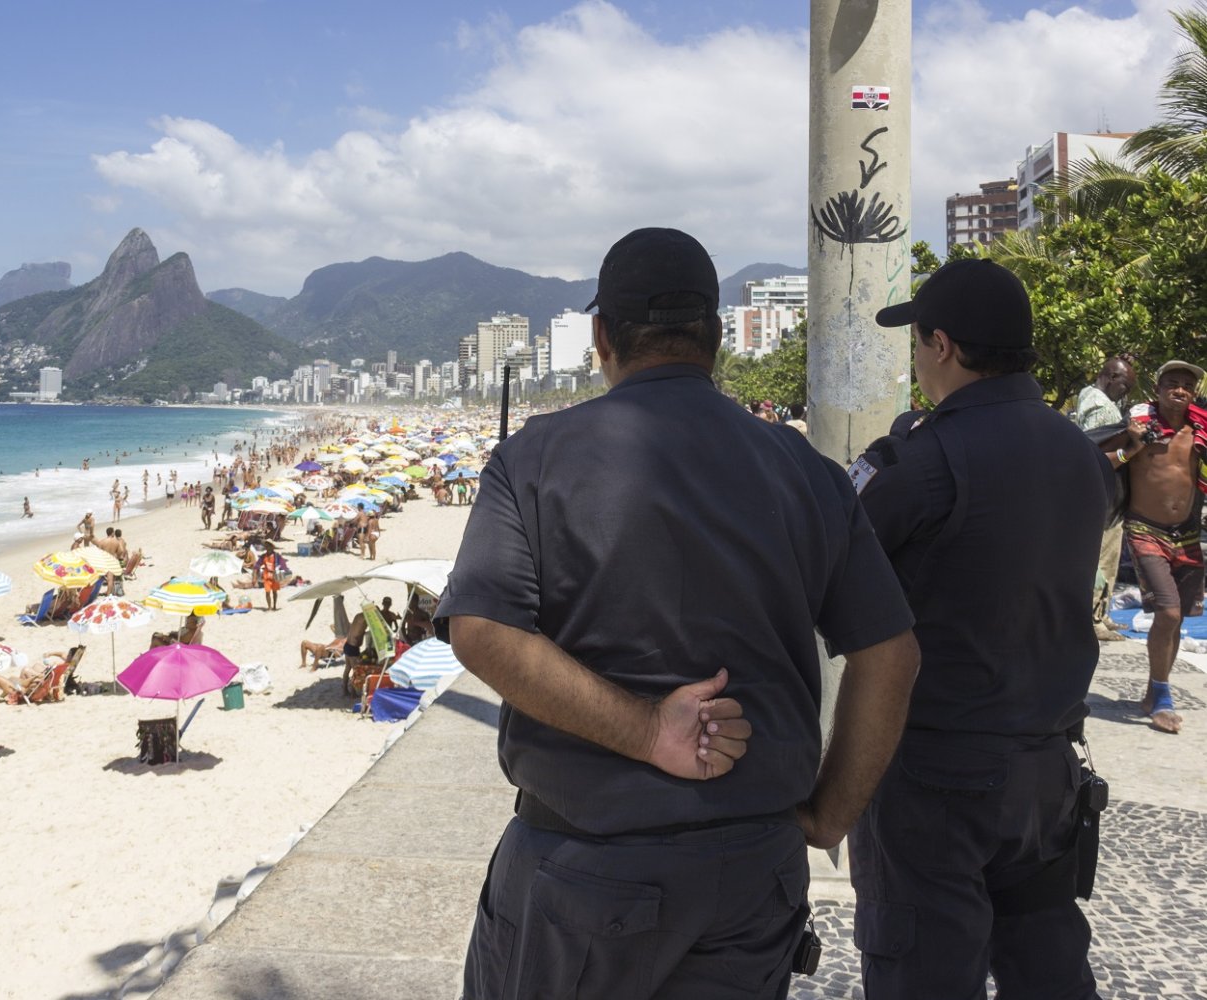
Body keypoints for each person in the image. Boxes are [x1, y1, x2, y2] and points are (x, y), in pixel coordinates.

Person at [439, 227, 920, 998]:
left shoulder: (535, 458)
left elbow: (481, 630)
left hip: (588, 870)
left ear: (602, 338)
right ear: (717, 336)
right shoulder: (806, 471)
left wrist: (648, 730)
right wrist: (831, 815)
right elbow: (891, 654)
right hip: (753, 871)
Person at [847, 258, 1114, 998]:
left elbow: (832, 551)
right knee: (1047, 965)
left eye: (917, 344)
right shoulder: (1079, 453)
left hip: (939, 772)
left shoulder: (924, 459)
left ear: (942, 345)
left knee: (923, 972)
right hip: (1048, 770)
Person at [1107, 359, 1207, 734]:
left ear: (1193, 393)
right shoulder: (1138, 428)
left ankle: (1153, 690)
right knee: (1167, 613)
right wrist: (1131, 448)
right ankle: (1163, 698)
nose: (1179, 389)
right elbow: (1100, 462)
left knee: (1178, 617)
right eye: (1172, 382)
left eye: (1186, 384)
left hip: (1187, 533)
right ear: (1158, 388)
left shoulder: (1201, 433)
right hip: (1145, 529)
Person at [1075, 357, 1137, 642]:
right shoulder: (1100, 408)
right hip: (1105, 495)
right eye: (1125, 384)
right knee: (1102, 557)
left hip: (1099, 494)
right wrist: (1130, 451)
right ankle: (1093, 618)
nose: (1126, 391)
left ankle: (1101, 612)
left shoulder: (1089, 397)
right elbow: (1101, 454)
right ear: (1111, 376)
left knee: (1107, 557)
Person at [258, 544, 281, 611]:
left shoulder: (276, 556)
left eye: (269, 546)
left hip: (274, 576)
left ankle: (274, 606)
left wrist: (278, 568)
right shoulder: (263, 556)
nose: (267, 548)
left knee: (274, 592)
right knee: (267, 592)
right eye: (266, 546)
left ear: (272, 547)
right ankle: (269, 607)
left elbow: (282, 564)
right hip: (266, 576)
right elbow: (258, 564)